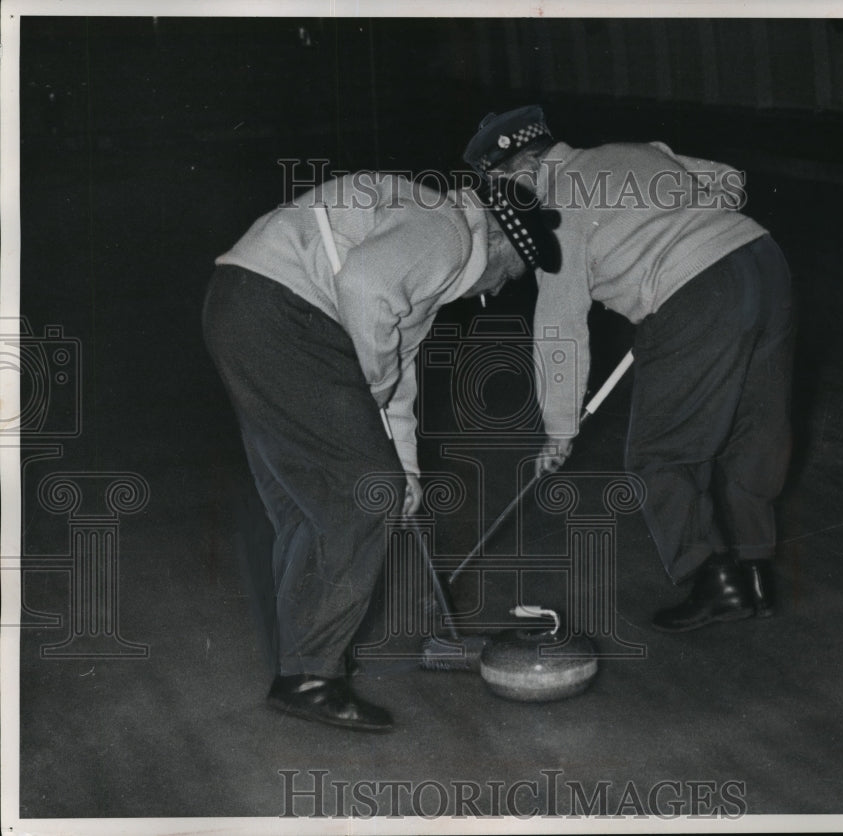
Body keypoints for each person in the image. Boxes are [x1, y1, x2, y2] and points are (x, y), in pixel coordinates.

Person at [202, 170, 559, 731]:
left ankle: (304, 662)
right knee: (363, 494)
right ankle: (310, 678)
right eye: (507, 274)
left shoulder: (426, 244)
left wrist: (406, 468)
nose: (493, 292)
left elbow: (396, 375)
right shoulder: (447, 233)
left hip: (245, 306)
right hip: (287, 313)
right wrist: (366, 409)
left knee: (316, 504)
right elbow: (365, 293)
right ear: (498, 237)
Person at [462, 106, 795, 632]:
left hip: (695, 295)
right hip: (762, 260)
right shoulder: (636, 150)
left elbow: (559, 328)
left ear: (518, 170)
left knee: (660, 453)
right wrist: (691, 233)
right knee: (754, 429)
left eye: (502, 183)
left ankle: (715, 581)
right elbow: (728, 180)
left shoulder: (556, 213)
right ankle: (756, 574)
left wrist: (560, 427)